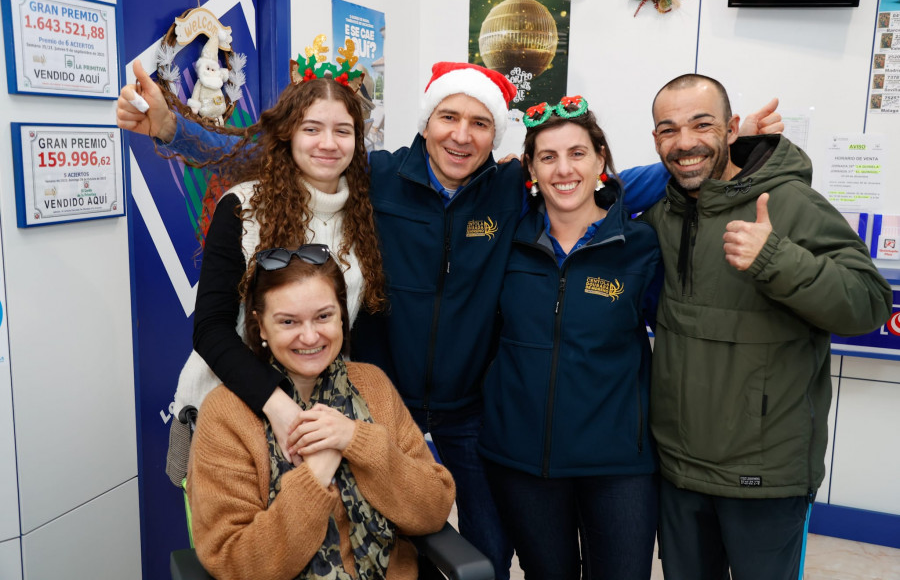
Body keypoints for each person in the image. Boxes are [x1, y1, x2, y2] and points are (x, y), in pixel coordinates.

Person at [117, 58, 781, 578]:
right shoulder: (375, 178)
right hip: (380, 399)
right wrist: (175, 130)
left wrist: (724, 148)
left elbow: (610, 177)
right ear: (426, 122)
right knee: (348, 541)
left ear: (497, 138)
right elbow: (272, 158)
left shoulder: (510, 188)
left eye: (481, 123)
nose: (462, 135)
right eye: (449, 118)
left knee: (483, 556)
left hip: (467, 410)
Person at [643, 74, 893, 580]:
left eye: (702, 124)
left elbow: (868, 303)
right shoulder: (660, 215)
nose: (685, 141)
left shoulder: (788, 203)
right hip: (678, 469)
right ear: (655, 141)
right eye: (668, 129)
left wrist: (775, 258)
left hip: (765, 474)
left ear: (732, 129)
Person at [135, 66, 388, 481]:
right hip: (226, 414)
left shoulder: (365, 216)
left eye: (343, 131)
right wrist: (277, 404)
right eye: (312, 128)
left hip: (319, 420)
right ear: (288, 133)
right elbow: (211, 330)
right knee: (230, 543)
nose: (328, 143)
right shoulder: (243, 207)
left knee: (306, 536)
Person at [478, 95, 661, 580]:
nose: (564, 169)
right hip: (522, 459)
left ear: (600, 159)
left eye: (577, 153)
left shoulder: (639, 245)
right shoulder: (506, 241)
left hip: (618, 462)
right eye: (548, 156)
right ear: (530, 170)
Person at [187, 248, 455, 579]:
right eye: (288, 321)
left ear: (342, 316)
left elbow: (433, 508)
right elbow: (235, 561)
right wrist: (315, 476)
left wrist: (356, 440)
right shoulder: (226, 414)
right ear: (261, 326)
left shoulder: (372, 385)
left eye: (324, 316)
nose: (311, 336)